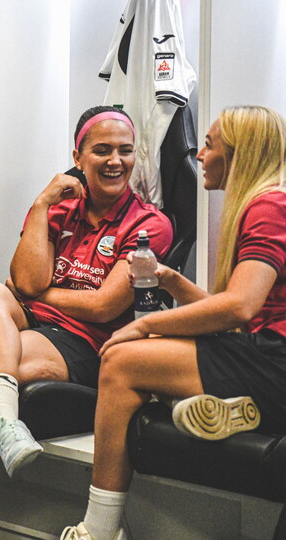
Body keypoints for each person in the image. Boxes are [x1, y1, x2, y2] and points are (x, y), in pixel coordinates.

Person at [0, 106, 173, 540]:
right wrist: (42, 203)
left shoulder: (149, 224)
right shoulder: (59, 209)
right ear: (78, 157)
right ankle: (7, 428)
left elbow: (102, 306)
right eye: (102, 150)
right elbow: (25, 280)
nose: (115, 161)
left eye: (124, 151)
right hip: (31, 327)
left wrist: (38, 295)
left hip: (87, 342)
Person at [60, 107, 286, 539]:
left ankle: (98, 530)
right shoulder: (267, 203)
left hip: (276, 363)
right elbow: (237, 314)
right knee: (144, 359)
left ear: (238, 153)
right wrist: (172, 281)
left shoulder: (269, 205)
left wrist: (147, 327)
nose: (198, 155)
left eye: (209, 146)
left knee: (122, 362)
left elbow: (239, 308)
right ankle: (229, 407)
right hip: (264, 355)